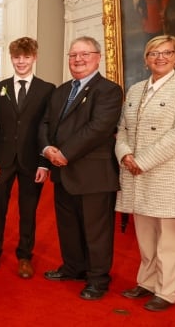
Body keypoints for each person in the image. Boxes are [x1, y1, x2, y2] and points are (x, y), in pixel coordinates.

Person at [115, 35, 175, 312]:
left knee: (168, 238)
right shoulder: (137, 88)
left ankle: (166, 291)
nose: (160, 58)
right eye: (154, 53)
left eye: (166, 53)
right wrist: (125, 153)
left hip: (169, 174)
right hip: (136, 173)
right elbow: (123, 129)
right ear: (146, 58)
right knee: (146, 236)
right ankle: (147, 282)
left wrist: (143, 159)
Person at [38, 36, 122, 301]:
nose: (78, 60)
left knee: (96, 231)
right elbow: (45, 124)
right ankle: (73, 267)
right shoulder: (61, 90)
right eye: (73, 55)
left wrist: (65, 153)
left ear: (98, 57)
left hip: (94, 175)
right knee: (69, 225)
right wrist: (47, 150)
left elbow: (98, 129)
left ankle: (98, 279)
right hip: (62, 172)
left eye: (85, 54)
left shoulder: (108, 90)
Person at [0, 37, 55, 278]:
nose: (21, 61)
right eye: (16, 57)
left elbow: (48, 128)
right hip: (1, 161)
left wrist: (44, 162)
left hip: (32, 161)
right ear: (11, 58)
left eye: (26, 57)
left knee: (28, 211)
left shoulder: (47, 89)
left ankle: (25, 257)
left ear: (34, 58)